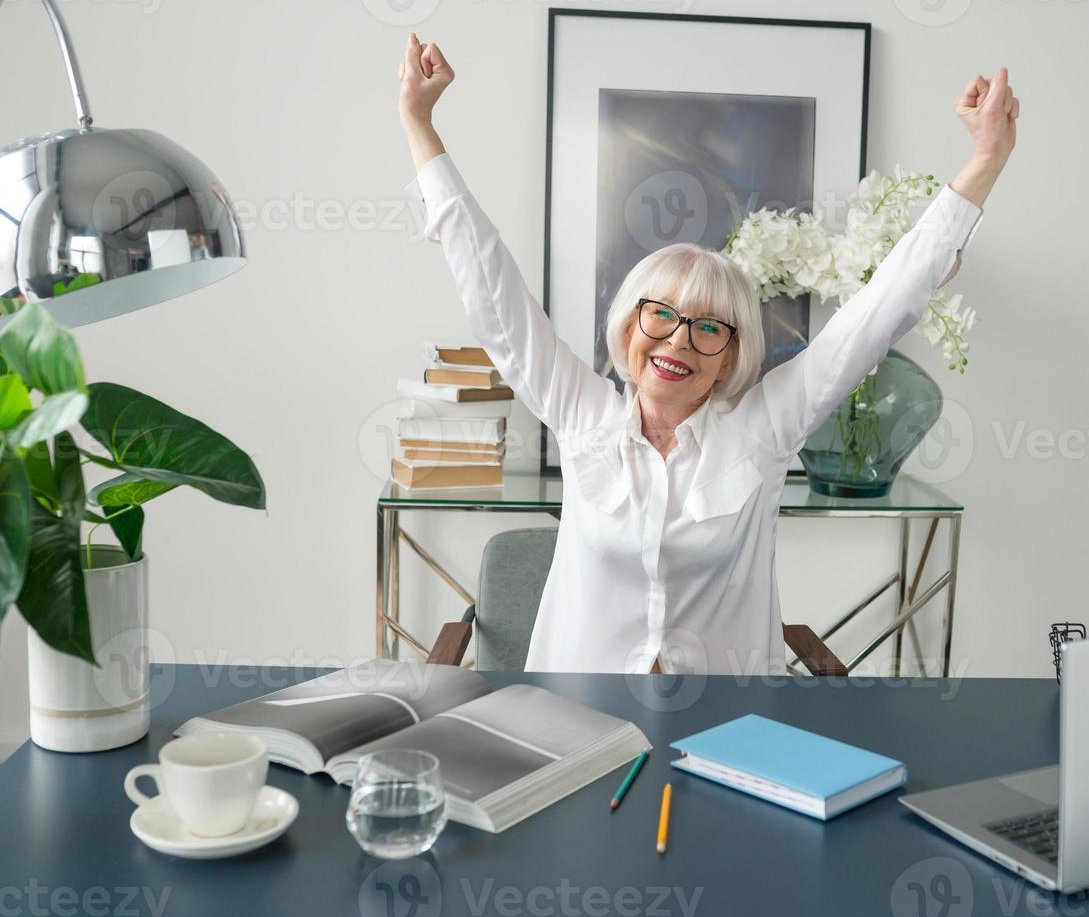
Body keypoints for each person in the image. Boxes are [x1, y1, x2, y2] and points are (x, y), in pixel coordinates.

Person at [397, 34, 1018, 676]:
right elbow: (492, 290)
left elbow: (876, 314)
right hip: (579, 722)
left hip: (724, 728)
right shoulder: (583, 416)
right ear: (629, 324)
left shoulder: (764, 429)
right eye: (660, 315)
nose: (677, 342)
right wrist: (419, 123)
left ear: (731, 356)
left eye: (707, 328)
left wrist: (984, 161)